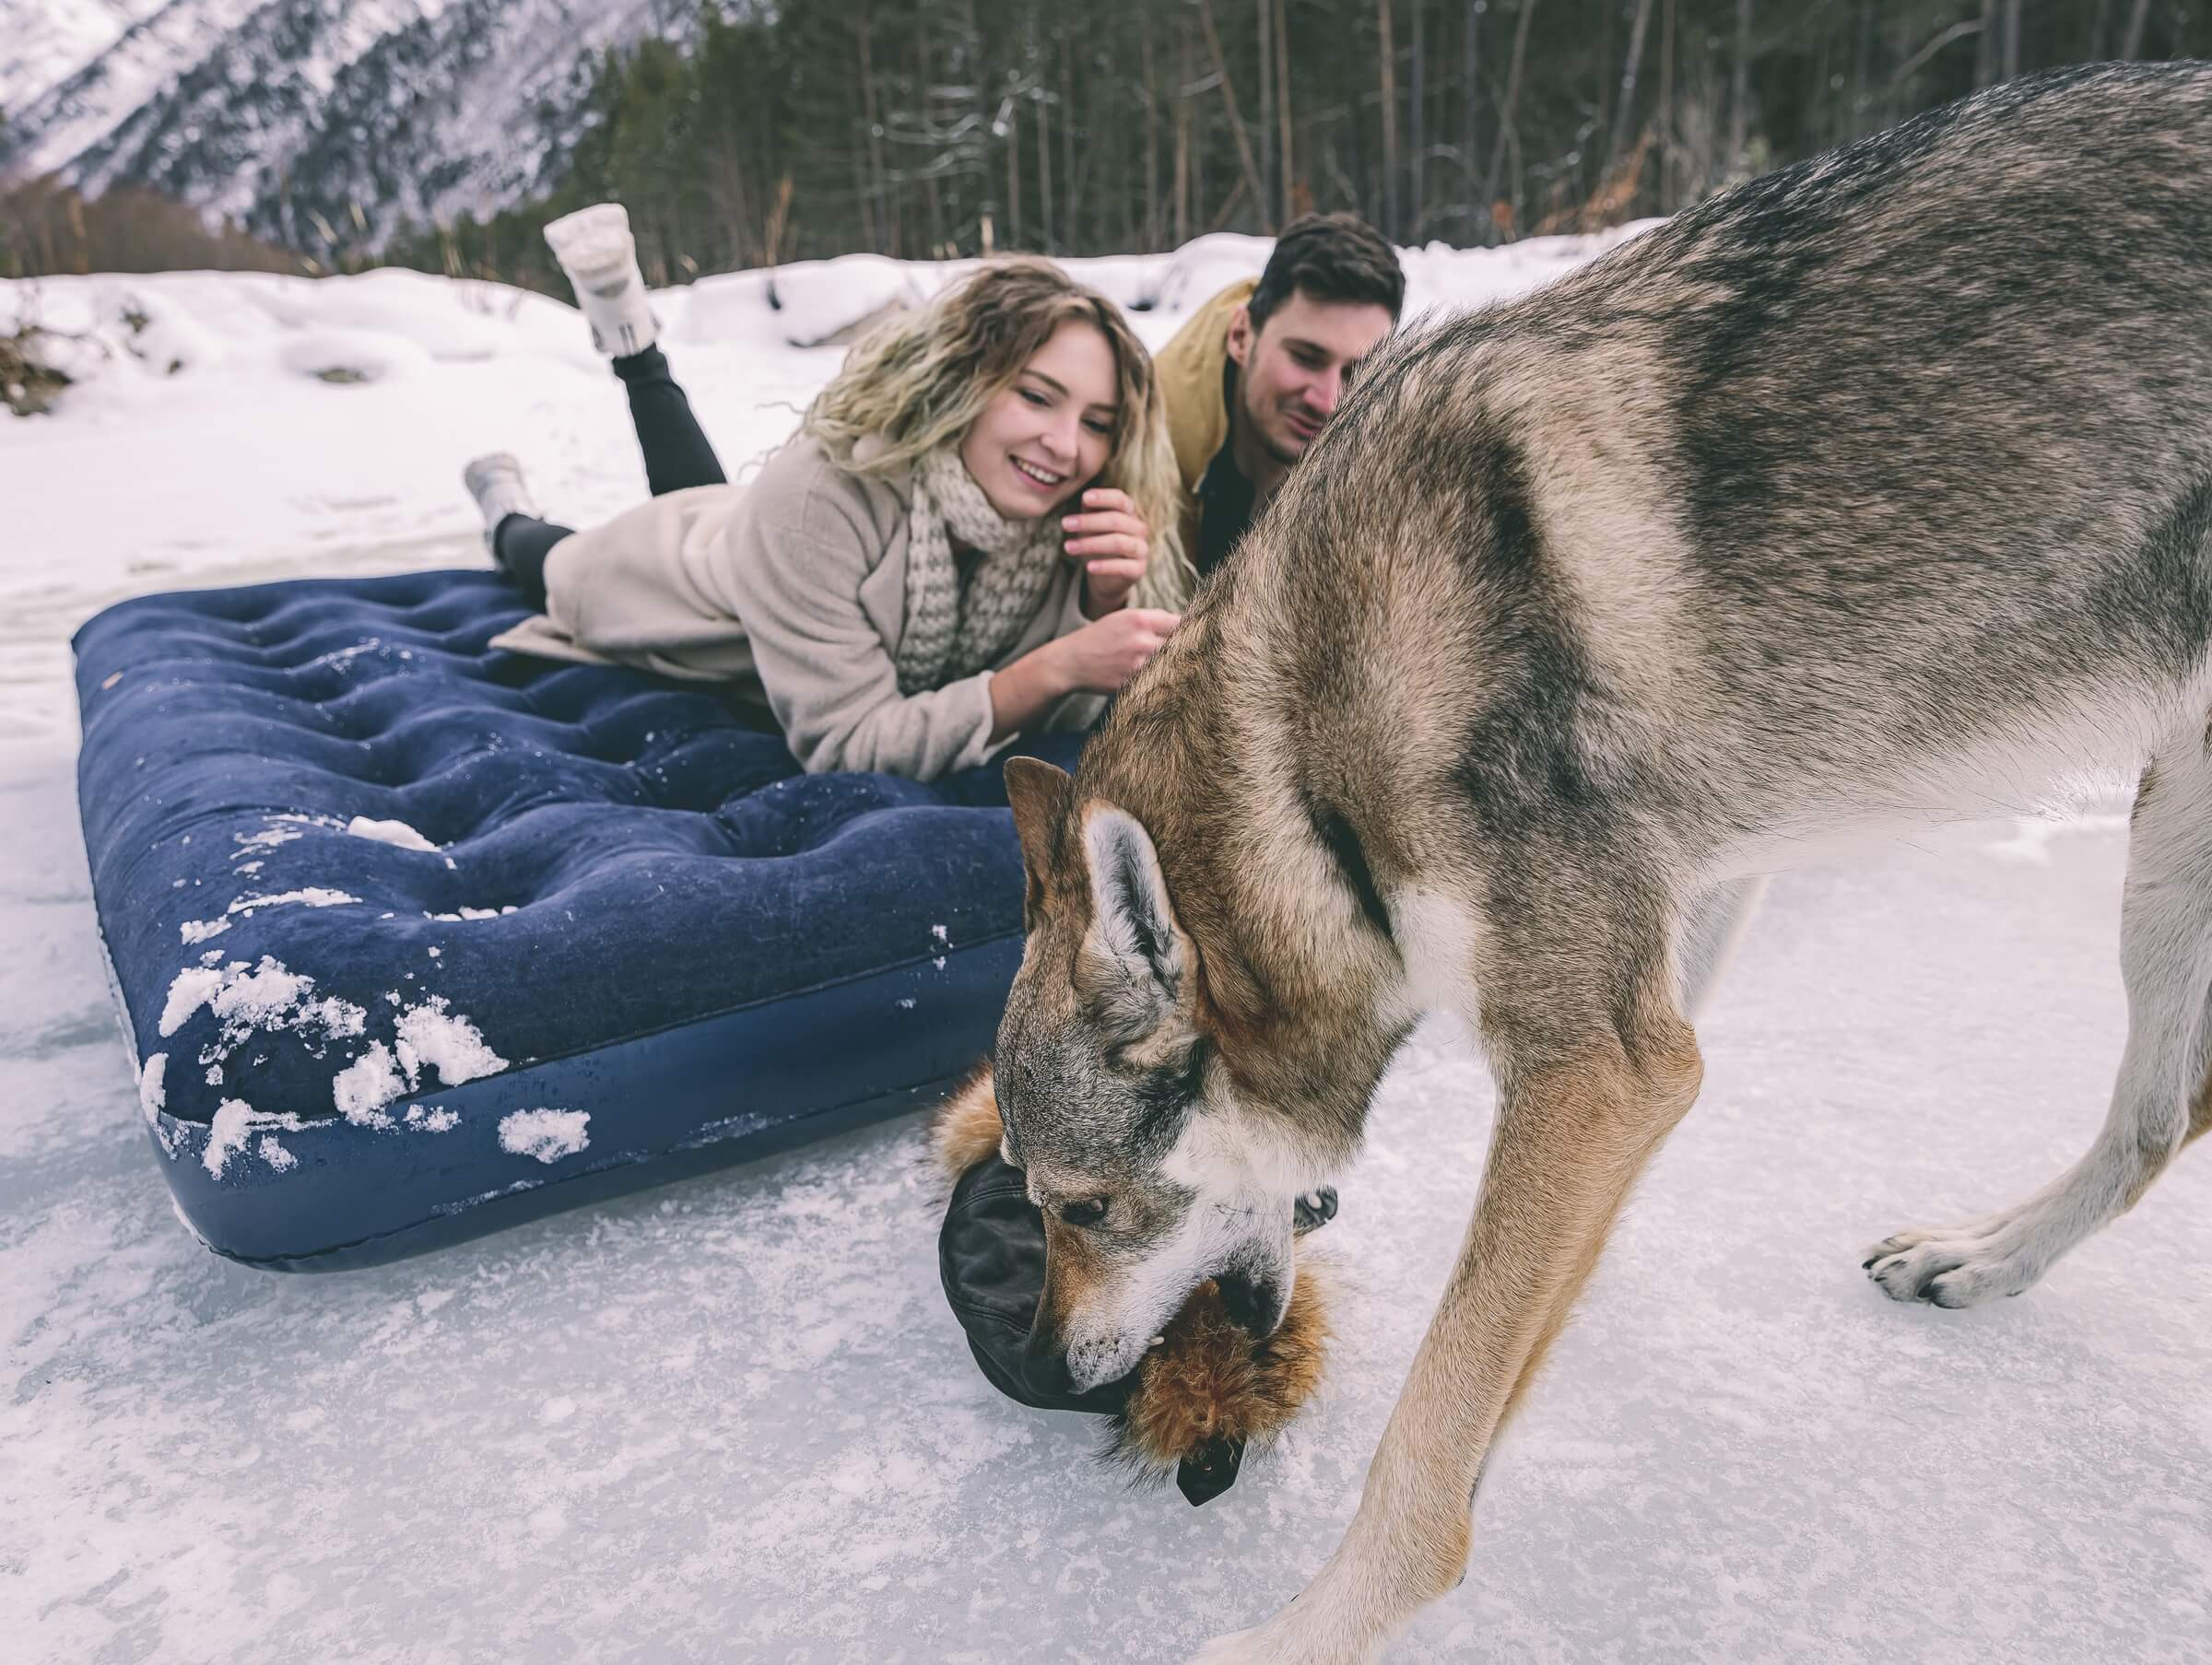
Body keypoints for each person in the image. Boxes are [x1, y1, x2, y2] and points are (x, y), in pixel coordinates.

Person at [466, 205, 1183, 783]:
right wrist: (1057, 664)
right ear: (964, 380)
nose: (1067, 445)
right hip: (662, 587)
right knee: (556, 558)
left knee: (711, 500)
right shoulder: (819, 493)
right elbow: (848, 741)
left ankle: (634, 342)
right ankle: (510, 497)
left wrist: (1099, 603)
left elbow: (1062, 720)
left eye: (1098, 422)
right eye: (1035, 395)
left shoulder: (1065, 511)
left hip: (758, 544)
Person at [1143, 213, 1406, 607]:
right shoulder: (1140, 441)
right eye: (1306, 358)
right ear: (1241, 336)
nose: (1328, 400)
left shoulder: (1385, 450)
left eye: (1357, 371)